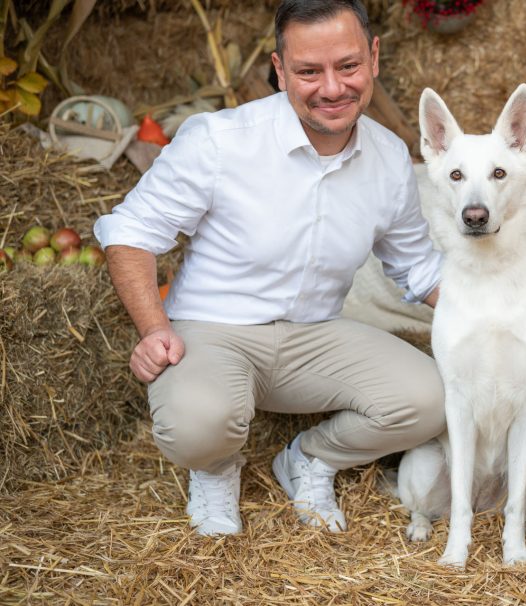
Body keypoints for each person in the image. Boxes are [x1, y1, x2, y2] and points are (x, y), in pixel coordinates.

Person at [94, 0, 445, 536]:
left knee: (432, 401)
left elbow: (419, 269)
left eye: (347, 65)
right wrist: (154, 329)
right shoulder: (219, 139)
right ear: (280, 70)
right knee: (196, 427)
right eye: (309, 71)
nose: (332, 88)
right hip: (215, 331)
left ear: (374, 57)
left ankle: (310, 458)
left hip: (316, 335)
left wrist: (515, 320)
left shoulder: (390, 156)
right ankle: (214, 469)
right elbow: (129, 233)